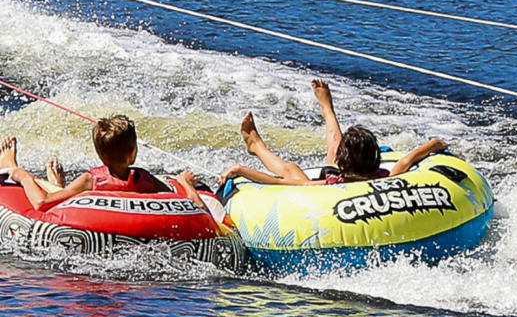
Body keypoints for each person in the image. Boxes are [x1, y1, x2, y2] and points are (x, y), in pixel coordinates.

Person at [219, 78, 448, 188]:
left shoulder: (330, 184)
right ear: (376, 158)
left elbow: (279, 182)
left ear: (342, 162)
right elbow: (408, 160)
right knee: (329, 150)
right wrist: (434, 144)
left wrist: (240, 170)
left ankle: (256, 146)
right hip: (354, 170)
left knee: (293, 170)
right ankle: (327, 108)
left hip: (335, 183)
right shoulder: (385, 176)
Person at [0, 114, 206, 211]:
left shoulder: (91, 180)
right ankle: (58, 184)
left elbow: (42, 203)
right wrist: (186, 182)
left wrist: (23, 177)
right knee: (64, 193)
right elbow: (189, 204)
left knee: (55, 192)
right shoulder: (145, 179)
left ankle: (13, 166)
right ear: (133, 152)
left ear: (99, 154)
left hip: (82, 197)